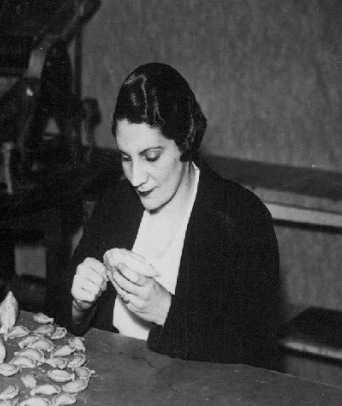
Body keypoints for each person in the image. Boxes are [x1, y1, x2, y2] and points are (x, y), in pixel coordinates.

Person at [56, 62, 280, 369]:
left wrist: (166, 311)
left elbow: (256, 355)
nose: (136, 177)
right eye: (125, 157)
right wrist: (80, 306)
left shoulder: (240, 217)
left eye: (151, 157)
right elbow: (59, 320)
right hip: (113, 389)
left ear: (185, 141)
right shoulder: (117, 203)